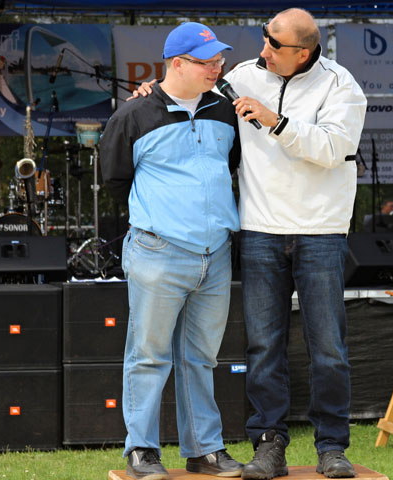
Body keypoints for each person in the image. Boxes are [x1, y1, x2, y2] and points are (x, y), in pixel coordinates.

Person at [132, 9, 366, 479]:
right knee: (262, 347)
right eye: (264, 39)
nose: (263, 51)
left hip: (321, 231)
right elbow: (187, 94)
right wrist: (150, 94)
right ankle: (268, 444)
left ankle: (332, 447)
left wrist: (277, 122)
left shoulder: (341, 85)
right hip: (259, 229)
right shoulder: (241, 77)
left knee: (328, 349)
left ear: (304, 52)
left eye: (274, 45)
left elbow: (334, 148)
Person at [99, 22, 243, 480]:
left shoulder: (225, 110)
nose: (217, 68)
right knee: (148, 355)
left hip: (215, 254)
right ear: (177, 64)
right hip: (158, 250)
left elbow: (230, 167)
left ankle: (204, 451)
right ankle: (141, 451)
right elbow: (114, 179)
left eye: (219, 60)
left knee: (201, 358)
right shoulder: (133, 115)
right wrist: (160, 218)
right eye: (207, 62)